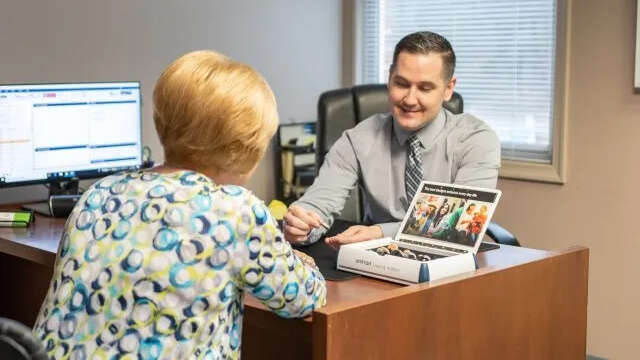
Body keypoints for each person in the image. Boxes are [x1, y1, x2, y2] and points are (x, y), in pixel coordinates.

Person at [32, 50, 327, 360]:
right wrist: (301, 263)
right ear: (242, 148)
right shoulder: (235, 210)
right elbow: (305, 297)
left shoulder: (98, 193)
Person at [283, 31, 501, 247]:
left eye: (425, 88)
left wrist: (380, 232)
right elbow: (318, 204)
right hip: (373, 264)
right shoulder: (357, 139)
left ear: (448, 89)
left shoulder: (477, 141)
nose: (410, 99)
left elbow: (463, 225)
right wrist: (302, 224)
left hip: (449, 265)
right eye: (402, 84)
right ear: (389, 78)